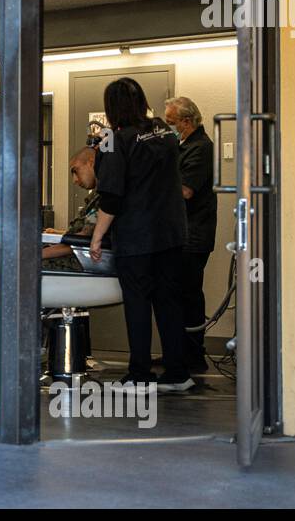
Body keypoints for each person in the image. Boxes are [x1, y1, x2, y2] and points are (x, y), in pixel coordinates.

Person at [87, 77, 193, 392]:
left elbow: (111, 196)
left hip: (137, 236)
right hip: (172, 233)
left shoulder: (112, 139)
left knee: (138, 303)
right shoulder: (163, 131)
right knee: (169, 301)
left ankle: (140, 375)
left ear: (111, 108)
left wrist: (96, 237)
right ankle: (178, 373)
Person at [165, 96, 217, 374]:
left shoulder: (201, 148)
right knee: (177, 294)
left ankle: (193, 356)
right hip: (181, 233)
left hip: (192, 235)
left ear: (186, 121)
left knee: (188, 295)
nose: (168, 127)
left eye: (171, 122)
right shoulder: (182, 144)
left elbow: (185, 191)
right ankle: (178, 351)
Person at [42, 146, 99, 271]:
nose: (75, 180)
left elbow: (83, 240)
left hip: (85, 257)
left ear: (91, 163)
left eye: (76, 171)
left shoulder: (105, 197)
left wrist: (38, 255)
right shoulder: (95, 196)